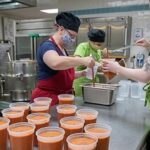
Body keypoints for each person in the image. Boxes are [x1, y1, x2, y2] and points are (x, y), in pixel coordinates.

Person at [31, 12, 95, 106]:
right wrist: (82, 60)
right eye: (71, 36)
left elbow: (63, 75)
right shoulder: (47, 46)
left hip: (62, 98)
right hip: (46, 100)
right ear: (61, 29)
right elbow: (55, 63)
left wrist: (82, 73)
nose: (72, 40)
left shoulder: (63, 49)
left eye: (74, 37)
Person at [73, 28, 107, 97]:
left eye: (100, 45)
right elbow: (76, 60)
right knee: (80, 104)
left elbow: (98, 68)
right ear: (91, 41)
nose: (99, 47)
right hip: (81, 83)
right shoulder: (83, 47)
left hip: (93, 83)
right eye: (98, 44)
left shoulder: (98, 51)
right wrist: (90, 62)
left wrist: (102, 66)